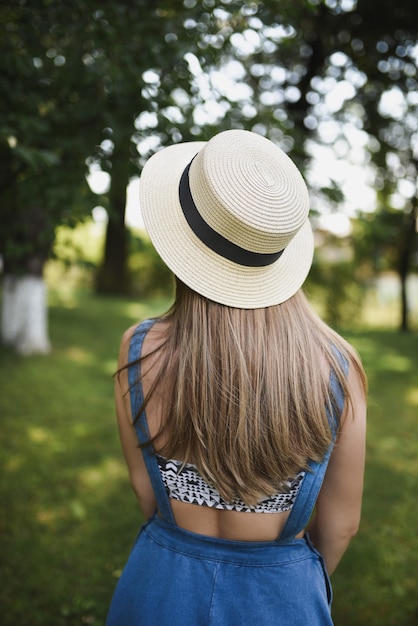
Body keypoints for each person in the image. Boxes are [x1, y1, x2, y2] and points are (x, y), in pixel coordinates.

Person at [105, 129, 367, 625]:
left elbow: (146, 492)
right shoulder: (337, 367)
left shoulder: (138, 349)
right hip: (280, 595)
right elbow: (340, 527)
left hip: (159, 585)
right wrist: (288, 581)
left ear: (179, 242)